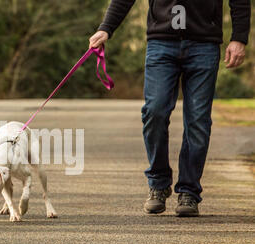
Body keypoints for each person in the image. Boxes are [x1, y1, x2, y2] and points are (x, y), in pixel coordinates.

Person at [89, 0, 251, 217]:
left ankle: (189, 191)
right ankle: (158, 183)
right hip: (161, 42)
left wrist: (239, 38)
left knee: (198, 121)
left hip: (204, 43)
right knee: (154, 111)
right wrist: (106, 28)